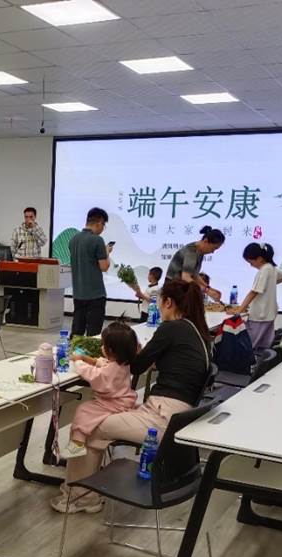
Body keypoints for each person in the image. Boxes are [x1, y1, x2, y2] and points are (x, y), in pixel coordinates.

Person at [52, 280, 211, 514]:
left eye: (159, 302)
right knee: (97, 420)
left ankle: (80, 498)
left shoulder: (171, 328)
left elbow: (135, 366)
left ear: (168, 302)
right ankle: (89, 488)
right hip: (179, 417)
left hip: (162, 419)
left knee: (90, 426)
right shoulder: (198, 332)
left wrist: (121, 354)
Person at [66, 322, 138, 457]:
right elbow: (105, 364)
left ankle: (78, 442)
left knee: (84, 410)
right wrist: (89, 359)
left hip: (113, 403)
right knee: (87, 409)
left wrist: (78, 361)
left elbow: (94, 374)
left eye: (103, 345)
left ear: (110, 350)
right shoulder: (123, 363)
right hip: (124, 400)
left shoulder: (111, 370)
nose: (101, 347)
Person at [228, 242, 282, 351]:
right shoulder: (272, 268)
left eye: (251, 262)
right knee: (263, 347)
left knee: (249, 346)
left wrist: (239, 310)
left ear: (260, 259)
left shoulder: (264, 270)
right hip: (269, 314)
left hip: (259, 315)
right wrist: (270, 284)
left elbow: (253, 292)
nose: (250, 265)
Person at [69, 207, 112, 337]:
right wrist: (107, 252)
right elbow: (104, 267)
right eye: (103, 225)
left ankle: (73, 350)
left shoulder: (73, 239)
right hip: (95, 294)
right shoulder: (97, 240)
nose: (103, 228)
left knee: (77, 331)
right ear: (99, 222)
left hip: (78, 293)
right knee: (93, 334)